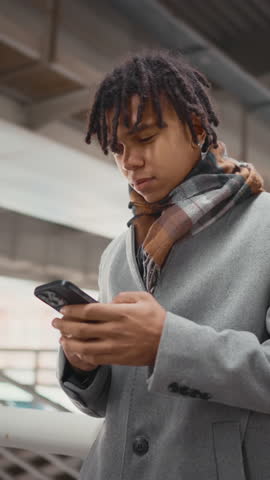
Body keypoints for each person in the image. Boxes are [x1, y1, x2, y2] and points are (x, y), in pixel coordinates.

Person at [52, 49, 270, 480]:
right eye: (117, 148)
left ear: (195, 128)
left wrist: (167, 344)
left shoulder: (266, 226)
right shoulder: (118, 252)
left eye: (145, 138)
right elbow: (109, 403)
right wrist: (81, 362)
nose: (129, 161)